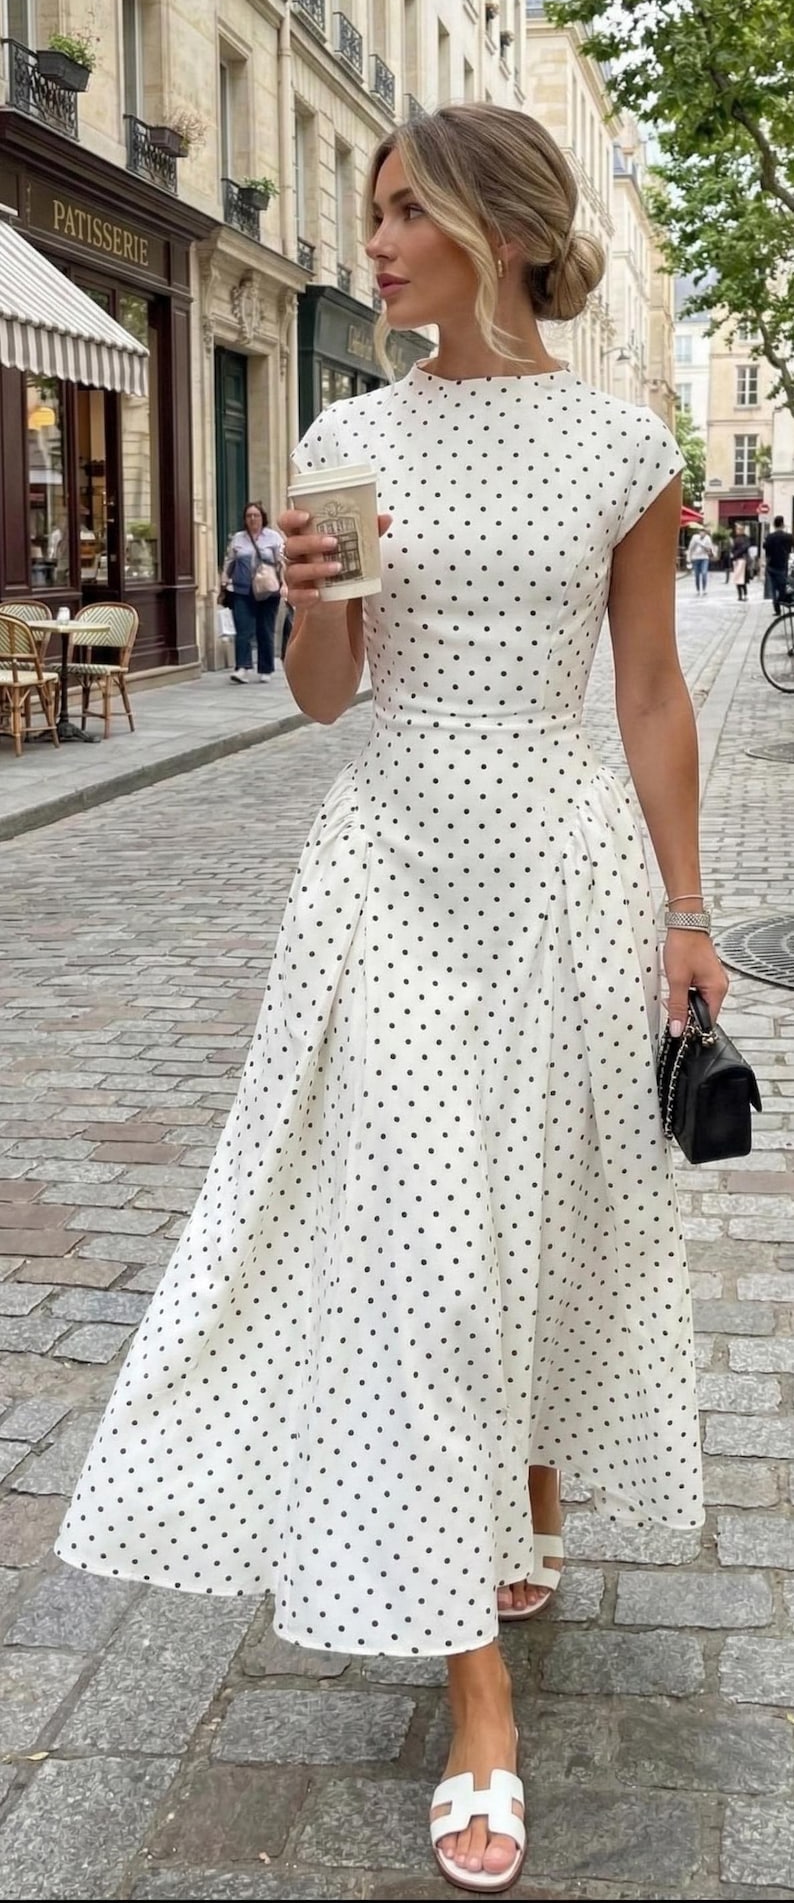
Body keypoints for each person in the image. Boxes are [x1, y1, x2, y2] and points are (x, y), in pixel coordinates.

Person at [55, 104, 727, 1895]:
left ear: (502, 226)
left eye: (404, 208)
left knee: (543, 1214)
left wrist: (684, 908)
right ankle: (475, 1699)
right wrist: (308, 594)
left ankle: (523, 1503)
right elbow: (325, 697)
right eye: (369, 212)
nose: (371, 241)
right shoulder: (345, 432)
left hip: (561, 873)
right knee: (423, 1253)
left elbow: (649, 690)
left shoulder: (621, 443)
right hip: (388, 877)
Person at [220, 502, 284, 683]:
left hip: (268, 590)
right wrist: (224, 580)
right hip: (242, 590)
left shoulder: (273, 537)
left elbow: (282, 563)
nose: (253, 519)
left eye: (256, 515)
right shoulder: (238, 538)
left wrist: (285, 584)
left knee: (265, 629)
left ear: (263, 518)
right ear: (245, 519)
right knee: (243, 630)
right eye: (249, 516)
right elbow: (230, 561)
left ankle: (266, 669)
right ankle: (242, 668)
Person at [764, 516, 794, 615]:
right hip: (782, 565)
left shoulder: (769, 537)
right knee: (782, 585)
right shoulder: (788, 536)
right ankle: (782, 600)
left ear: (774, 524)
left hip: (771, 565)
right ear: (782, 524)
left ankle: (777, 609)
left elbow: (766, 551)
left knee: (774, 587)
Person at [686, 527, 714, 594]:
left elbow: (709, 549)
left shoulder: (707, 538)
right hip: (695, 558)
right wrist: (689, 558)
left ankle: (704, 589)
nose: (702, 533)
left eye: (704, 532)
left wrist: (703, 545)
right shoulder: (695, 537)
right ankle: (698, 589)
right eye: (701, 531)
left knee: (704, 573)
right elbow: (690, 548)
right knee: (697, 575)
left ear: (705, 533)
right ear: (699, 532)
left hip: (704, 558)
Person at [731, 526, 751, 601]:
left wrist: (735, 554)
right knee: (738, 578)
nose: (737, 531)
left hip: (743, 559)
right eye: (737, 529)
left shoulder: (746, 539)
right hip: (737, 560)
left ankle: (745, 594)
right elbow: (733, 548)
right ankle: (740, 595)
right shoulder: (736, 539)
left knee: (743, 579)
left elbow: (744, 548)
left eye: (739, 529)